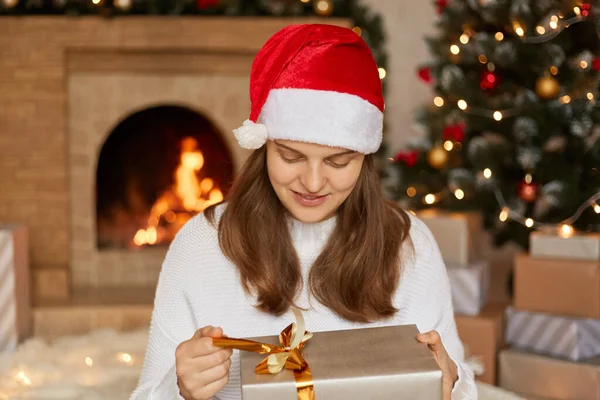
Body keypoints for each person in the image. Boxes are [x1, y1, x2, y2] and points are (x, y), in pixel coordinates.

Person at [130, 24, 477, 400]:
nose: (313, 183)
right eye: (291, 156)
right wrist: (178, 388)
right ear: (264, 146)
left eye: (338, 161)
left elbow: (458, 385)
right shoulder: (201, 244)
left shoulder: (408, 244)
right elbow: (146, 394)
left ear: (364, 157)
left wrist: (451, 384)